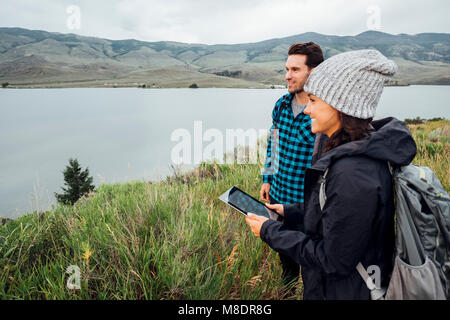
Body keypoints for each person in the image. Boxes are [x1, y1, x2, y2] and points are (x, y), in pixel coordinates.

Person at [246, 49, 417, 299]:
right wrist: (290, 209)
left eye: (314, 100)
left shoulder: (353, 174)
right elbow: (335, 216)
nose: (307, 109)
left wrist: (269, 232)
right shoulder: (345, 152)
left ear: (341, 106)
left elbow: (333, 260)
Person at [260, 42, 324, 285]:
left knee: (311, 262)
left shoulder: (324, 112)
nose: (288, 76)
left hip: (307, 205)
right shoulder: (281, 105)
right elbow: (273, 144)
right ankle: (286, 290)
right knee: (285, 257)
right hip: (279, 196)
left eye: (295, 70)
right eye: (287, 69)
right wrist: (268, 178)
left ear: (314, 71)